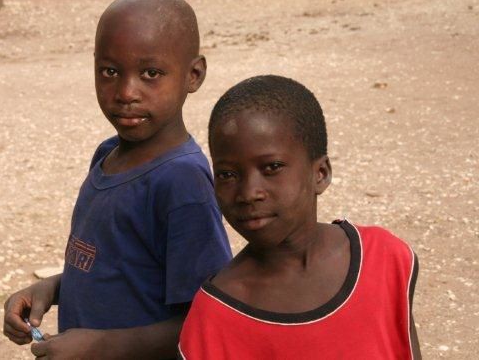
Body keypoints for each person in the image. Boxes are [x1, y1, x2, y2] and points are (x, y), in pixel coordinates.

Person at [3, 0, 232, 359]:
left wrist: (102, 346)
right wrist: (51, 290)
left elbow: (207, 318)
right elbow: (121, 270)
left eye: (150, 74)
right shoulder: (108, 154)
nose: (126, 92)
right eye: (110, 72)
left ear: (193, 74)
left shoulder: (182, 182)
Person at [179, 75, 421, 359]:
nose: (249, 193)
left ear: (320, 174)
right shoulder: (217, 315)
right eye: (228, 174)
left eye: (272, 167)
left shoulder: (383, 258)